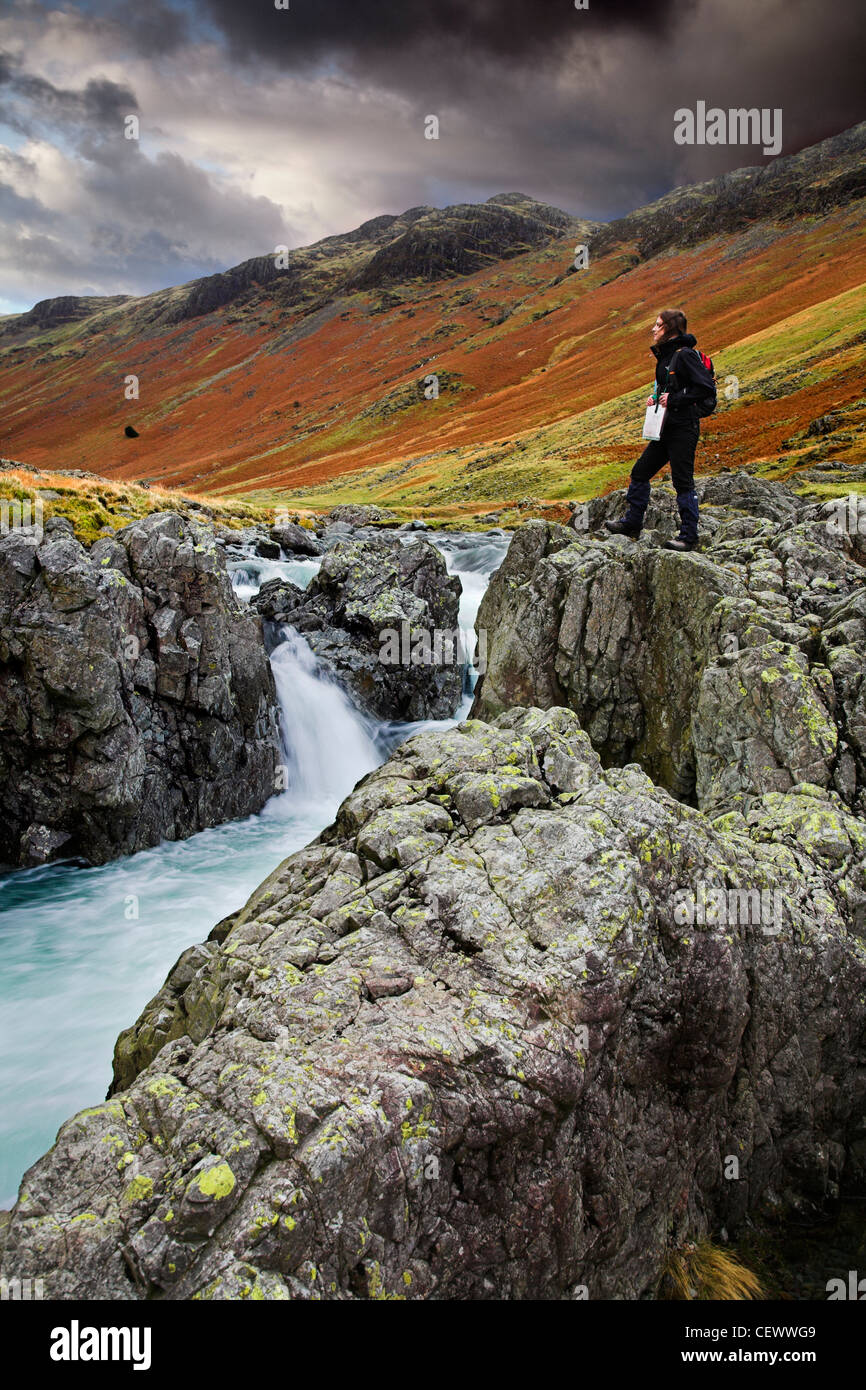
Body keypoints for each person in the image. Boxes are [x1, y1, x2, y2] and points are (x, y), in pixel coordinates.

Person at [605, 309, 715, 550]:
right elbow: (670, 387)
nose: (653, 329)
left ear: (670, 329)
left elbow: (706, 388)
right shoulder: (666, 356)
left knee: (682, 481)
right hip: (665, 427)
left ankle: (688, 537)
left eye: (657, 325)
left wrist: (674, 399)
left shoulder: (684, 355)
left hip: (684, 427)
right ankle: (632, 522)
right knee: (640, 472)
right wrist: (655, 398)